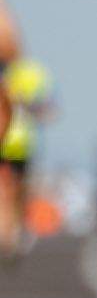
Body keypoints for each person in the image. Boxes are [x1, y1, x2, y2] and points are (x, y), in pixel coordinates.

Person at [0, 54, 55, 260]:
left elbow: (49, 109)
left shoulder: (31, 74)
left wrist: (26, 104)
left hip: (21, 145)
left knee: (20, 191)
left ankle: (17, 232)